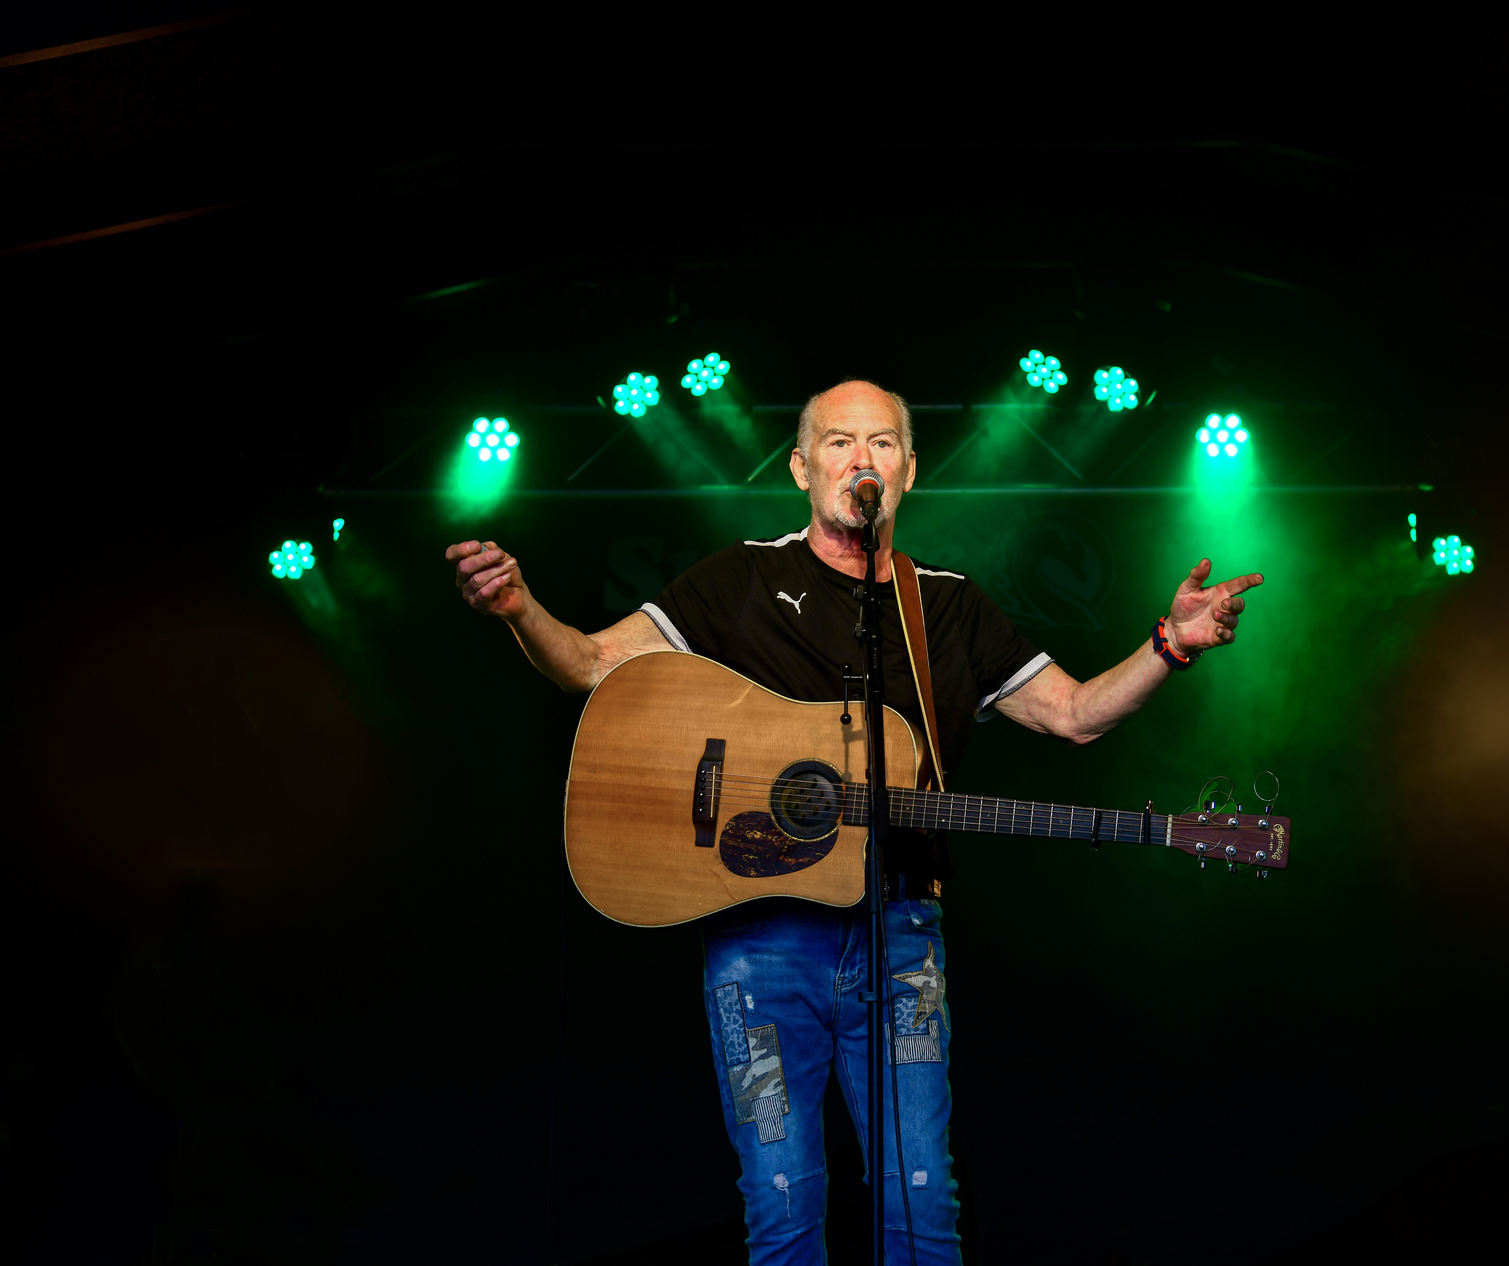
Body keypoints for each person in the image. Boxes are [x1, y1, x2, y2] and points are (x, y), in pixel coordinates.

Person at [445, 380, 1262, 1265]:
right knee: (782, 1211)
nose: (859, 459)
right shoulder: (741, 578)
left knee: (922, 1205)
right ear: (802, 468)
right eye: (838, 442)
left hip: (902, 936)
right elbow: (591, 665)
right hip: (759, 944)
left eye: (880, 443)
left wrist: (1169, 645)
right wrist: (521, 610)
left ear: (908, 470)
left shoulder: (944, 605)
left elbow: (1074, 714)